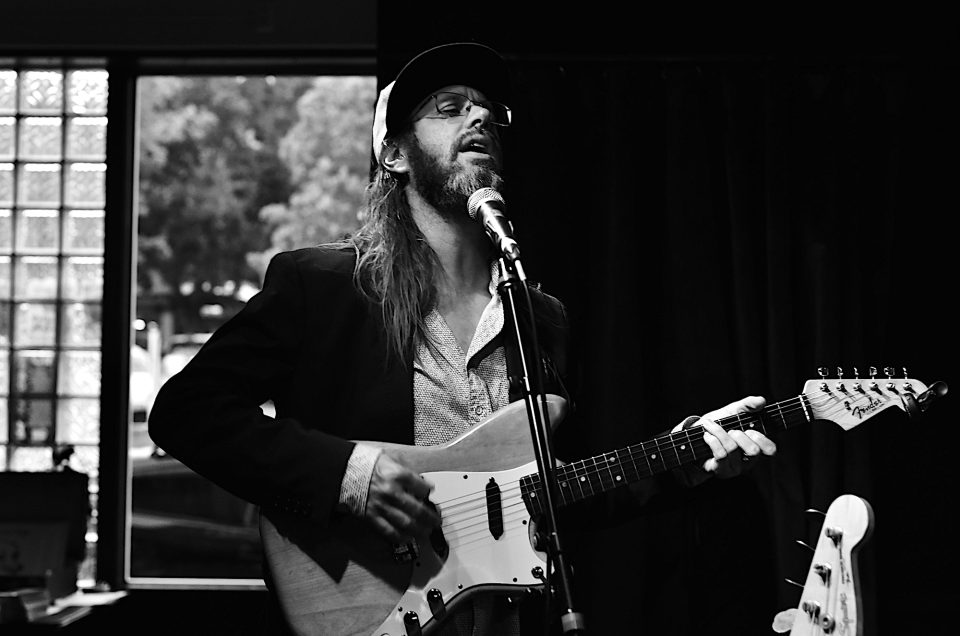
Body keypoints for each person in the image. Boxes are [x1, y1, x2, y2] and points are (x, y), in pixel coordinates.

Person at [148, 41, 777, 636]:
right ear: (394, 154)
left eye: (487, 112)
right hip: (371, 609)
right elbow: (185, 413)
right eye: (449, 108)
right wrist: (349, 473)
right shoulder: (323, 288)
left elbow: (547, 501)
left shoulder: (540, 319)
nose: (478, 117)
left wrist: (684, 458)